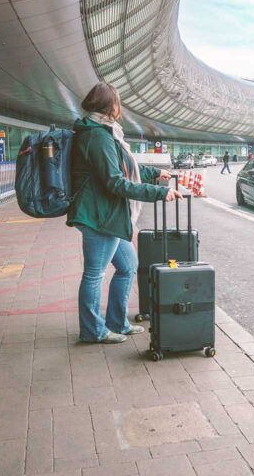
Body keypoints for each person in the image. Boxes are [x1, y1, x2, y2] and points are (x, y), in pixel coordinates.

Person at [67, 82, 183, 344]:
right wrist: (158, 193)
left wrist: (155, 174)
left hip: (110, 214)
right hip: (100, 216)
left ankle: (117, 322)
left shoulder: (106, 133)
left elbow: (124, 167)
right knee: (94, 274)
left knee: (128, 266)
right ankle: (92, 330)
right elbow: (115, 182)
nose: (120, 108)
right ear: (110, 106)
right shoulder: (97, 136)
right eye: (118, 103)